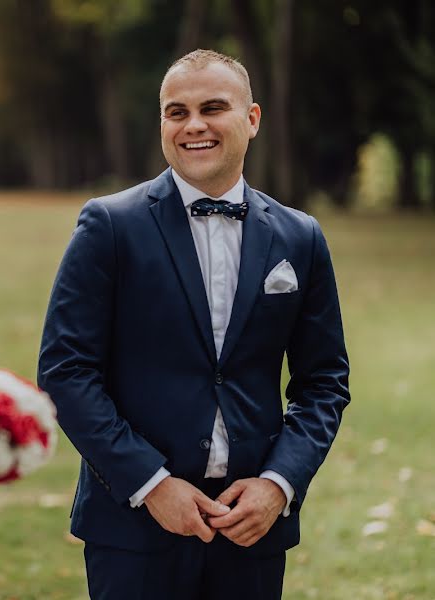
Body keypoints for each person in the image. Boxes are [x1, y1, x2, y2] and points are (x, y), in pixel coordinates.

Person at [37, 49, 350, 599]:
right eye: (175, 112)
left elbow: (324, 381)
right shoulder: (109, 225)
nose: (194, 125)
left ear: (252, 119)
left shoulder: (300, 238)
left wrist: (279, 484)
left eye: (213, 107)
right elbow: (66, 371)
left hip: (251, 529)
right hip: (134, 528)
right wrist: (151, 485)